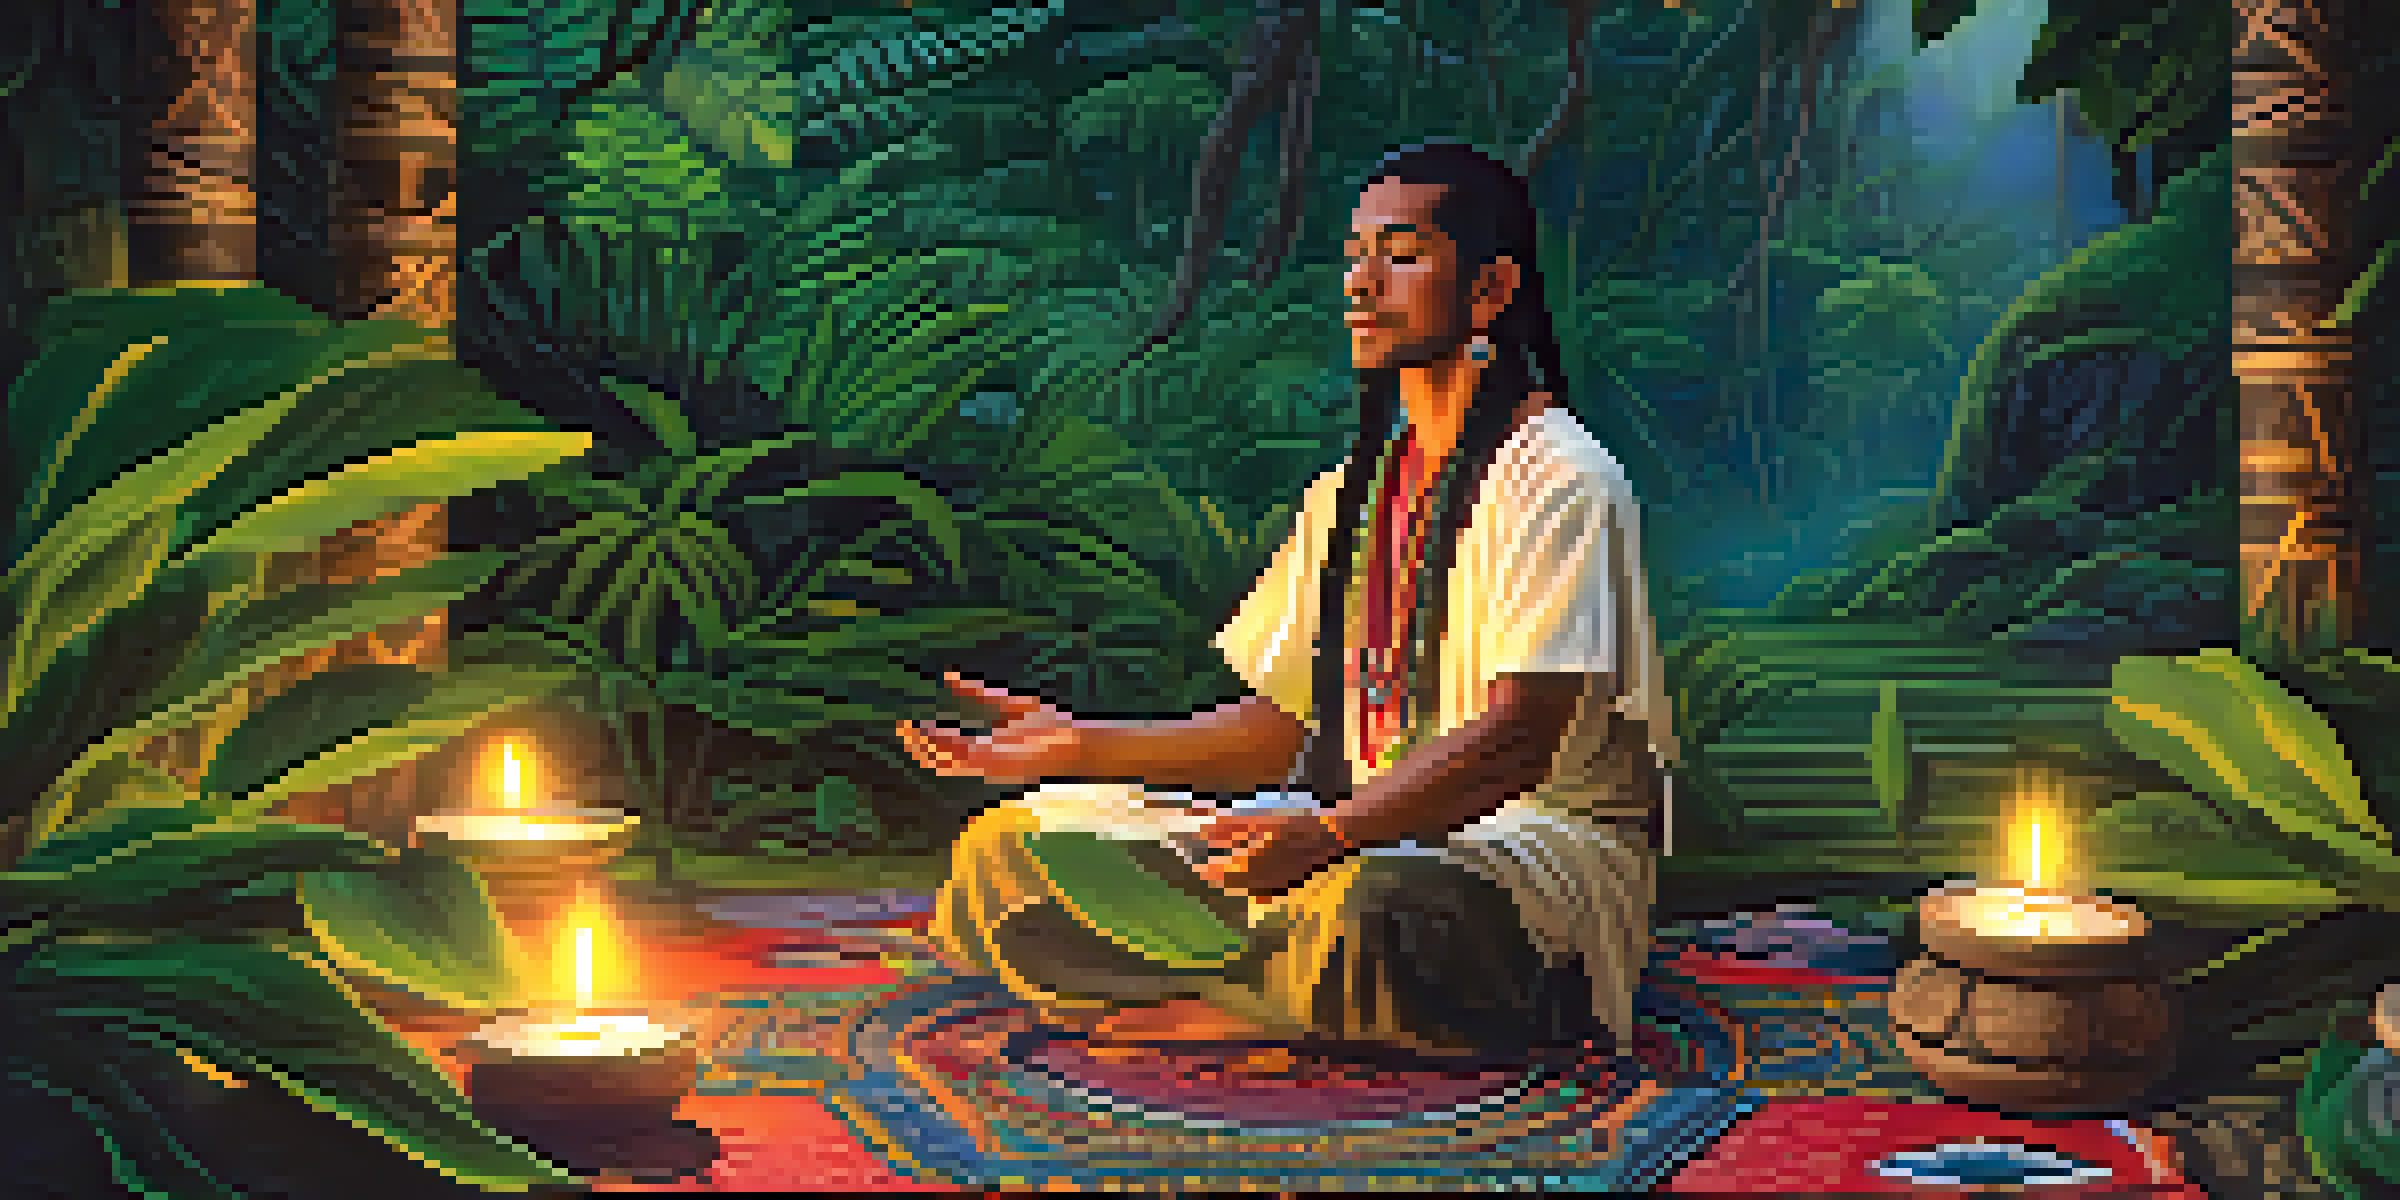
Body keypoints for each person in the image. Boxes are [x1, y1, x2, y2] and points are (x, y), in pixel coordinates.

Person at [897, 142, 1675, 1061]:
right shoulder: (1349, 494)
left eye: (1402, 253)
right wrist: (1080, 744)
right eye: (1354, 256)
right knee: (1014, 846)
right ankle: (1269, 988)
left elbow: (1516, 743)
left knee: (1374, 909)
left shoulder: (1562, 480)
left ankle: (1227, 987)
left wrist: (1327, 833)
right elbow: (1280, 728)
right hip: (1332, 833)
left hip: (1510, 854)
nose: (1362, 283)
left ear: (1490, 290)